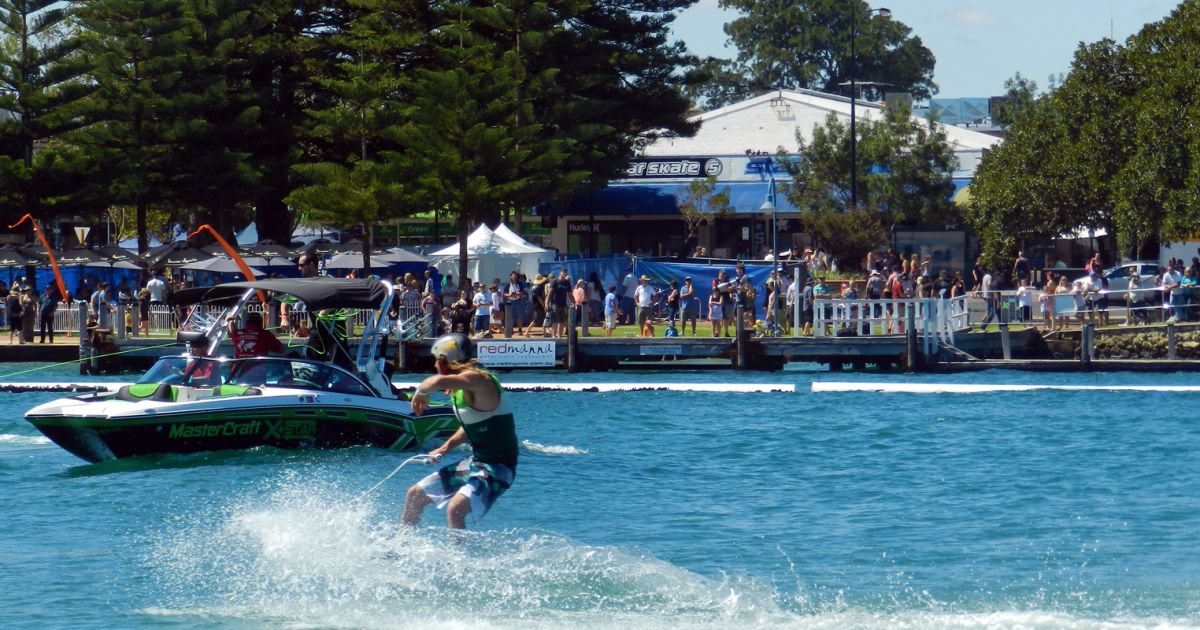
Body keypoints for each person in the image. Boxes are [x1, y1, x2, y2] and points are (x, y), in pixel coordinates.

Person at [402, 333, 518, 530]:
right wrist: (444, 448)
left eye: (436, 360)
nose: (434, 366)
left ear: (445, 358)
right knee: (415, 495)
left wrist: (421, 392)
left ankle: (459, 559)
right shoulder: (461, 389)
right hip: (476, 463)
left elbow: (435, 383)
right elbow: (470, 426)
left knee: (455, 508)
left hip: (499, 468)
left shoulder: (478, 380)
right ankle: (400, 550)